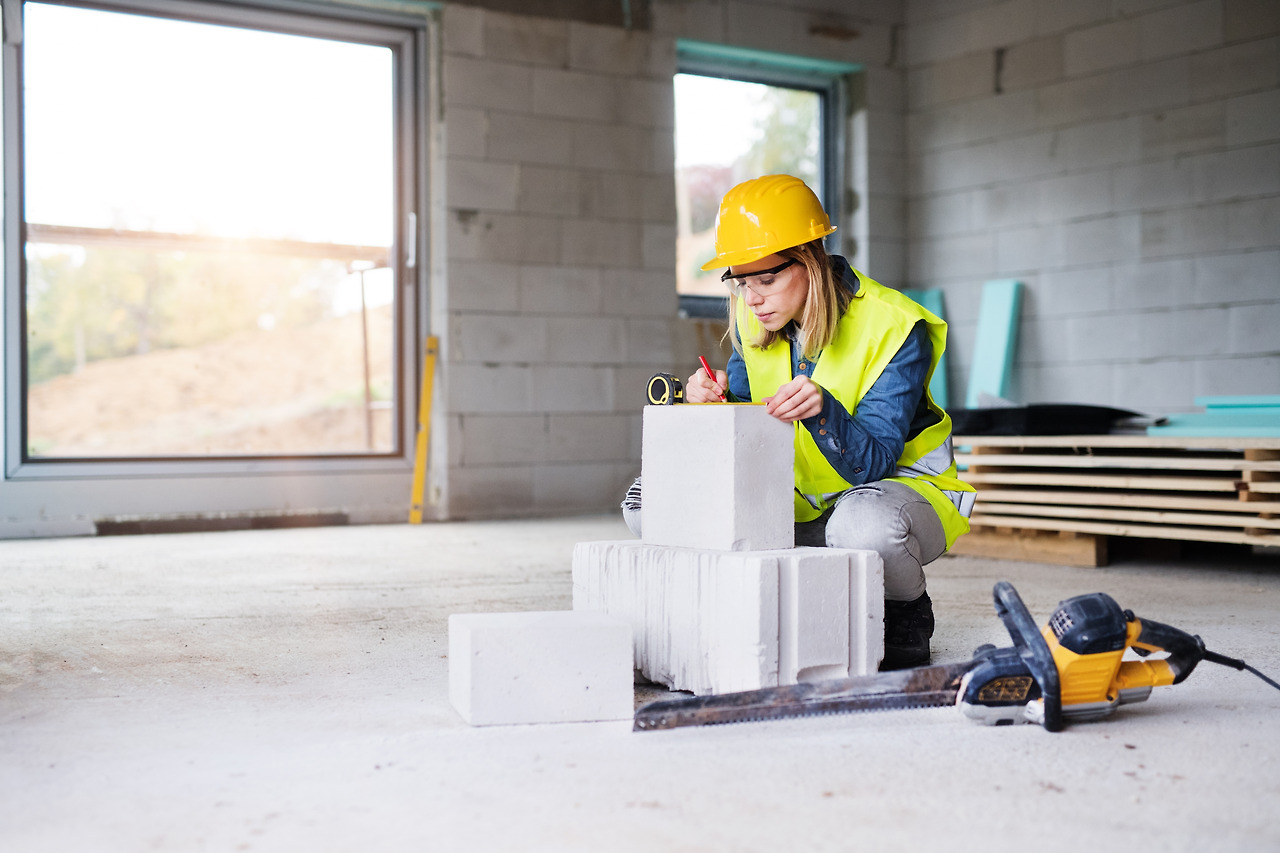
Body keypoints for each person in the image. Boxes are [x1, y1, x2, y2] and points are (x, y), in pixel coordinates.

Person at [622, 174, 975, 670]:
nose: (753, 298)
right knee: (647, 503)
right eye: (742, 282)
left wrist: (822, 409)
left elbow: (870, 465)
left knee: (863, 527)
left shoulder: (895, 327)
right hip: (799, 504)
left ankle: (907, 608)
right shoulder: (753, 320)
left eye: (766, 280)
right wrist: (710, 402)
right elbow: (748, 433)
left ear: (810, 261)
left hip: (892, 497)